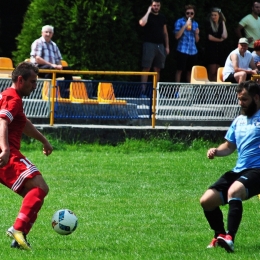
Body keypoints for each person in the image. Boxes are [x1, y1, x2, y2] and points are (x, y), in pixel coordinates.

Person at [200, 80, 260, 252]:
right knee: (207, 201)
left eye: (245, 99)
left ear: (256, 98)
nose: (241, 103)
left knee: (234, 191)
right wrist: (216, 151)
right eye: (239, 99)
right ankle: (219, 235)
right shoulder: (239, 120)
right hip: (239, 170)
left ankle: (230, 238)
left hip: (258, 170)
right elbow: (229, 146)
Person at [0, 62, 53, 250]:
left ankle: (19, 239)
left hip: (5, 154)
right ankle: (18, 229)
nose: (35, 86)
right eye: (32, 82)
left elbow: (22, 123)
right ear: (20, 80)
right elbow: (3, 122)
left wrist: (43, 140)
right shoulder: (12, 99)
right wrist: (5, 150)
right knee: (39, 187)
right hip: (7, 155)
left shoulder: (10, 97)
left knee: (35, 193)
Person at [30, 25, 72, 98]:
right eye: (46, 32)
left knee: (68, 70)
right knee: (50, 70)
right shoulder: (37, 42)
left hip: (51, 68)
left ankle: (65, 90)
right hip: (38, 68)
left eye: (50, 32)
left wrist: (59, 66)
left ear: (52, 34)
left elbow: (58, 59)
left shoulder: (54, 45)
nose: (48, 34)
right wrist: (52, 65)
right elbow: (38, 59)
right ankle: (48, 93)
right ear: (42, 33)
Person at [139, 0, 170, 97]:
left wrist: (167, 46)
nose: (156, 7)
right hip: (149, 44)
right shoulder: (148, 16)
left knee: (158, 69)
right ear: (151, 6)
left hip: (160, 45)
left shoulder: (162, 17)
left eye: (158, 5)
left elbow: (165, 33)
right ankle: (142, 91)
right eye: (154, 5)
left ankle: (155, 91)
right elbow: (142, 23)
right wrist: (148, 12)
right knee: (146, 67)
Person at [174, 4, 200, 82]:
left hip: (193, 51)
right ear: (185, 13)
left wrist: (196, 33)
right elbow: (177, 36)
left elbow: (197, 40)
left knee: (190, 71)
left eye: (191, 13)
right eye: (188, 13)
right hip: (182, 49)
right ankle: (176, 91)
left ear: (194, 14)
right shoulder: (179, 21)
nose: (189, 15)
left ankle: (189, 90)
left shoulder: (195, 23)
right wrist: (185, 25)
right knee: (179, 70)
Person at [205, 8, 228, 81]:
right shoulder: (208, 24)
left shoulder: (221, 24)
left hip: (220, 50)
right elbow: (210, 37)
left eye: (215, 15)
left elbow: (224, 36)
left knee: (217, 72)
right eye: (212, 15)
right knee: (211, 71)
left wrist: (223, 22)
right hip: (211, 49)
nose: (213, 17)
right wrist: (220, 40)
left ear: (219, 16)